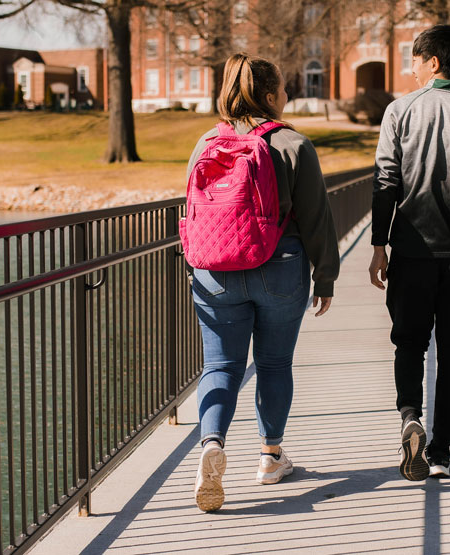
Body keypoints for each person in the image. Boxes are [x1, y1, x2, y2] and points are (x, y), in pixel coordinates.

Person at [188, 53, 340, 512]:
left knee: (221, 365)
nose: (289, 95)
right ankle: (270, 456)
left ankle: (211, 443)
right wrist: (326, 276)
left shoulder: (206, 142)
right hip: (279, 266)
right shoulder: (293, 144)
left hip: (215, 272)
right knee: (273, 364)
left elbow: (194, 212)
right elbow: (316, 220)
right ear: (271, 95)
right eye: (285, 89)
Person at [369, 24, 450, 481]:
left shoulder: (399, 112)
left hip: (410, 252)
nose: (410, 69)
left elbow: (385, 180)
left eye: (413, 60)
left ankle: (410, 416)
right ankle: (442, 450)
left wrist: (378, 244)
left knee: (409, 342)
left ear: (432, 63)